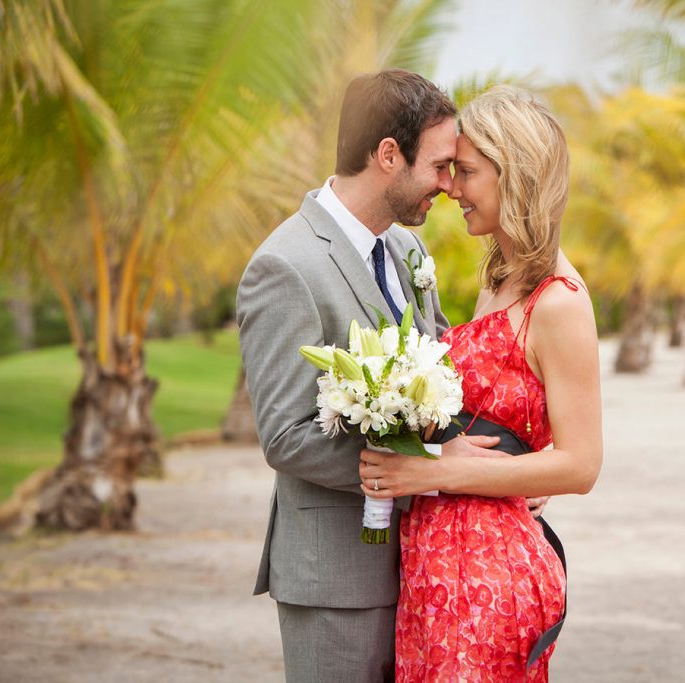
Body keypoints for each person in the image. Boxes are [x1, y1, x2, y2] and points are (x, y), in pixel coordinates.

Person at [236, 69, 500, 683]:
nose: (447, 184)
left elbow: (441, 379)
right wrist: (430, 465)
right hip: (336, 580)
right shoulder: (286, 265)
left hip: (422, 566)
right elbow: (286, 435)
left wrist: (506, 466)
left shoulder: (408, 253)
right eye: (438, 165)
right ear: (388, 155)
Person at [358, 85, 603, 682]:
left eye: (465, 172)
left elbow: (580, 465)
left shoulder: (559, 301)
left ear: (513, 174)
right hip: (435, 563)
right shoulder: (498, 273)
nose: (450, 187)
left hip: (486, 581)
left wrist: (434, 471)